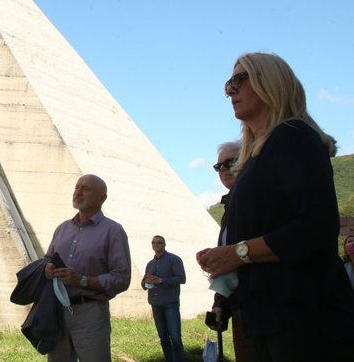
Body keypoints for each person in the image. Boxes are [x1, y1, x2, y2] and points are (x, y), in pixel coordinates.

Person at [196, 52, 354, 362]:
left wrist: (237, 253)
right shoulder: (258, 156)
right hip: (267, 316)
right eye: (229, 83)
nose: (230, 90)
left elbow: (317, 227)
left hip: (302, 318)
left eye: (240, 79)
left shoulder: (291, 136)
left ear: (271, 82)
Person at [44, 174, 131, 362]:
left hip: (90, 312)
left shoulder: (113, 231)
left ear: (102, 198)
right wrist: (47, 269)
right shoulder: (62, 229)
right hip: (58, 311)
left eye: (86, 189)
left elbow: (122, 278)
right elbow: (47, 260)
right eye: (77, 187)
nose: (78, 192)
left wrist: (82, 280)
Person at [208, 140, 255, 361]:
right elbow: (229, 264)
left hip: (268, 308)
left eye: (231, 162)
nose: (224, 169)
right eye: (219, 166)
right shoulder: (230, 209)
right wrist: (220, 305)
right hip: (241, 309)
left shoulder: (260, 199)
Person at [143, 235, 186, 362]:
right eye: (153, 242)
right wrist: (147, 281)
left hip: (170, 303)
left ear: (164, 244)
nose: (156, 245)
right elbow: (144, 284)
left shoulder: (174, 259)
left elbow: (181, 278)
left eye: (159, 242)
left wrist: (161, 280)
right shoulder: (150, 264)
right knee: (163, 337)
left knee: (175, 337)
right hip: (155, 304)